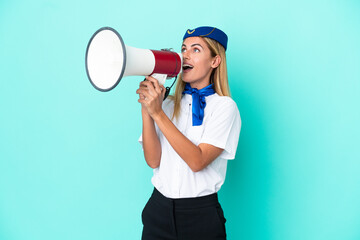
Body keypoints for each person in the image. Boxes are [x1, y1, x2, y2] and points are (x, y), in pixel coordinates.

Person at [136, 26, 241, 240]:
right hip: (158, 209)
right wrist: (147, 111)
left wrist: (157, 114)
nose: (185, 54)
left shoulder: (224, 107)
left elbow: (198, 161)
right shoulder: (167, 105)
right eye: (184, 48)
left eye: (196, 50)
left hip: (199, 217)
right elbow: (153, 160)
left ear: (215, 61)